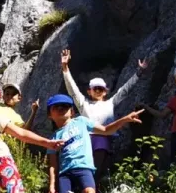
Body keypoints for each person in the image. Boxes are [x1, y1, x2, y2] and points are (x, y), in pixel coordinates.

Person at [59, 45, 149, 176]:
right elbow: (72, 89)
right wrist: (65, 67)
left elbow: (125, 90)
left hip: (104, 138)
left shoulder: (110, 103)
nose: (97, 91)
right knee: (87, 167)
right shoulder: (84, 104)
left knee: (98, 166)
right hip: (86, 139)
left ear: (105, 92)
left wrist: (139, 72)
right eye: (95, 89)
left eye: (100, 89)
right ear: (89, 91)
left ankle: (93, 186)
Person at [44, 92, 142, 193]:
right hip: (64, 173)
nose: (61, 109)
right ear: (50, 115)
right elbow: (53, 164)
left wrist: (124, 119)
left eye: (65, 106)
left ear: (72, 111)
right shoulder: (53, 137)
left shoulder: (81, 121)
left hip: (83, 167)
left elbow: (105, 130)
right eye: (56, 107)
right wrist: (52, 185)